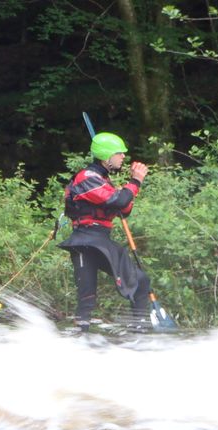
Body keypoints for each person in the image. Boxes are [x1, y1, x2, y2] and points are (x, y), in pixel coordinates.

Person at [58, 132, 151, 332]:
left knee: (141, 281)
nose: (123, 157)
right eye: (119, 153)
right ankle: (79, 339)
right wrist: (135, 182)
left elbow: (124, 208)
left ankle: (140, 331)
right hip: (86, 240)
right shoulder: (87, 177)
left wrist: (127, 188)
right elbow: (118, 201)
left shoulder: (103, 180)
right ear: (106, 157)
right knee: (87, 297)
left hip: (100, 240)